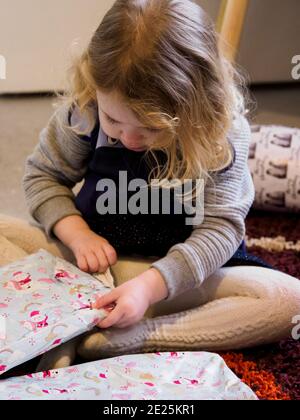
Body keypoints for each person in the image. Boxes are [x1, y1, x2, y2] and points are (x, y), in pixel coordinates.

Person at [1, 0, 299, 371]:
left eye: (152, 129)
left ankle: (112, 340)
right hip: (91, 267)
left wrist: (151, 286)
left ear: (198, 108)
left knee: (287, 301)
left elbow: (221, 230)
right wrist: (77, 235)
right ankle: (69, 325)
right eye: (113, 120)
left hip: (176, 281)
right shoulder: (84, 109)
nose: (128, 139)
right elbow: (42, 177)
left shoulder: (224, 134)